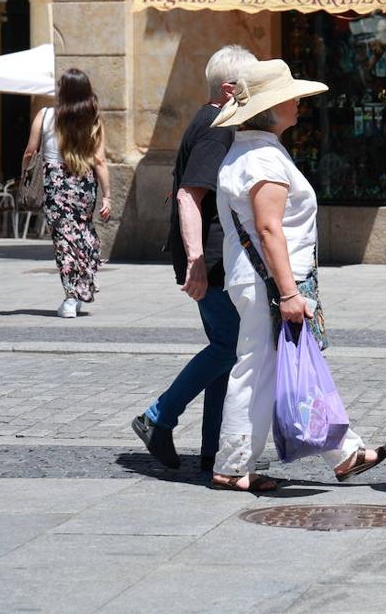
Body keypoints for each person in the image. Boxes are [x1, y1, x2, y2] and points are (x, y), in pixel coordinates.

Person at [209, 59, 386, 492]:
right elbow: (270, 228)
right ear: (272, 108)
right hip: (271, 281)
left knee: (284, 363)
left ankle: (343, 450)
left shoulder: (248, 149)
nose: (297, 103)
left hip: (259, 278)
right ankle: (233, 466)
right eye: (290, 97)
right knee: (259, 368)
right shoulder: (263, 157)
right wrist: (289, 293)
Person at [132, 45, 258, 471]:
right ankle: (159, 416)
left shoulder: (210, 120)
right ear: (229, 89)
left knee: (226, 349)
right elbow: (189, 194)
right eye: (250, 85)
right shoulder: (217, 127)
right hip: (213, 260)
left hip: (213, 257)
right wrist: (197, 261)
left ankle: (212, 449)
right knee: (229, 346)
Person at [22, 68, 111, 319]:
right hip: (84, 184)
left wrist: (25, 177)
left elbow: (30, 152)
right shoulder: (93, 119)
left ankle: (71, 298)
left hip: (56, 186)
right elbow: (100, 161)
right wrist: (107, 195)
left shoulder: (46, 115)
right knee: (82, 235)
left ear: (64, 90)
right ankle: (82, 285)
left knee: (64, 242)